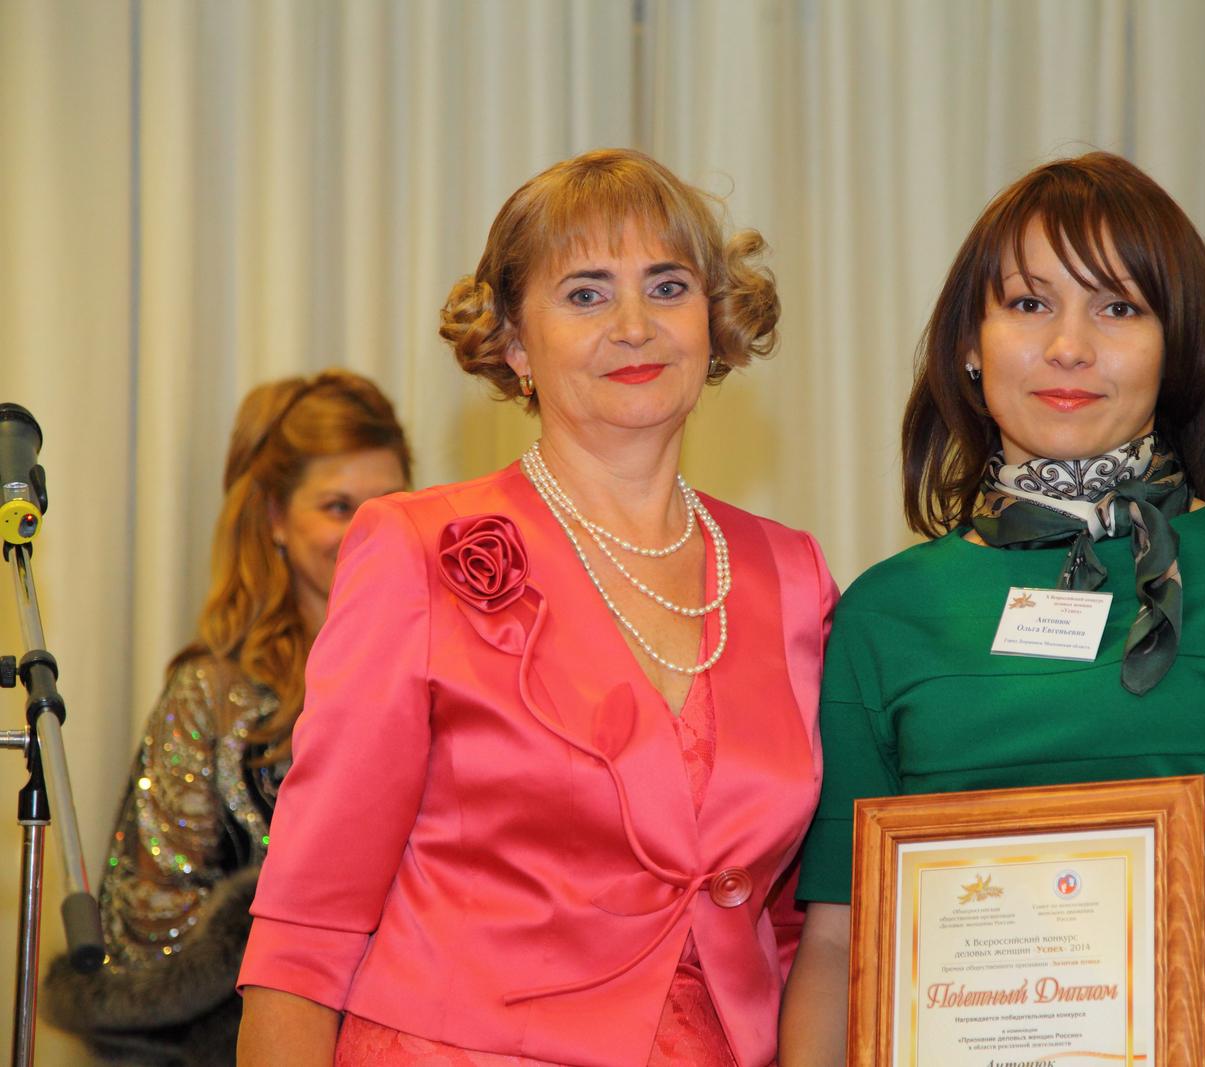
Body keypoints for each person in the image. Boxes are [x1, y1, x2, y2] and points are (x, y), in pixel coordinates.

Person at [779, 153, 1205, 1067]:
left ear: (1177, 345)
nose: (1069, 346)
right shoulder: (883, 612)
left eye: (1119, 307)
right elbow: (836, 945)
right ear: (970, 342)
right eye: (1029, 303)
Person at [234, 148, 837, 1067]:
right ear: (515, 343)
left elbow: (798, 925)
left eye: (667, 286)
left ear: (714, 322)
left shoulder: (790, 572)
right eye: (586, 294)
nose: (633, 325)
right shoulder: (412, 549)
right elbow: (307, 925)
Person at [41, 370, 411, 1065]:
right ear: (274, 518)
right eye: (338, 506)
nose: (366, 531)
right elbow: (146, 939)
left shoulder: (442, 671)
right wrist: (276, 931)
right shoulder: (210, 694)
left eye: (388, 505)